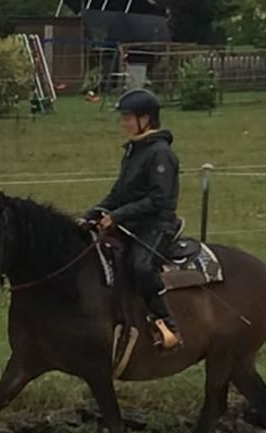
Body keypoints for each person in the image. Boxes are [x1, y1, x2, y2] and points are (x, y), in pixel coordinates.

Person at [78, 88, 182, 349]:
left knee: (141, 266)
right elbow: (119, 192)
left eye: (127, 118)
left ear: (146, 119)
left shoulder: (160, 153)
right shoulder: (134, 150)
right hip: (131, 222)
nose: (122, 123)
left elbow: (159, 199)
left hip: (157, 224)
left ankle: (166, 323)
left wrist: (117, 215)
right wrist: (92, 213)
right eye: (122, 118)